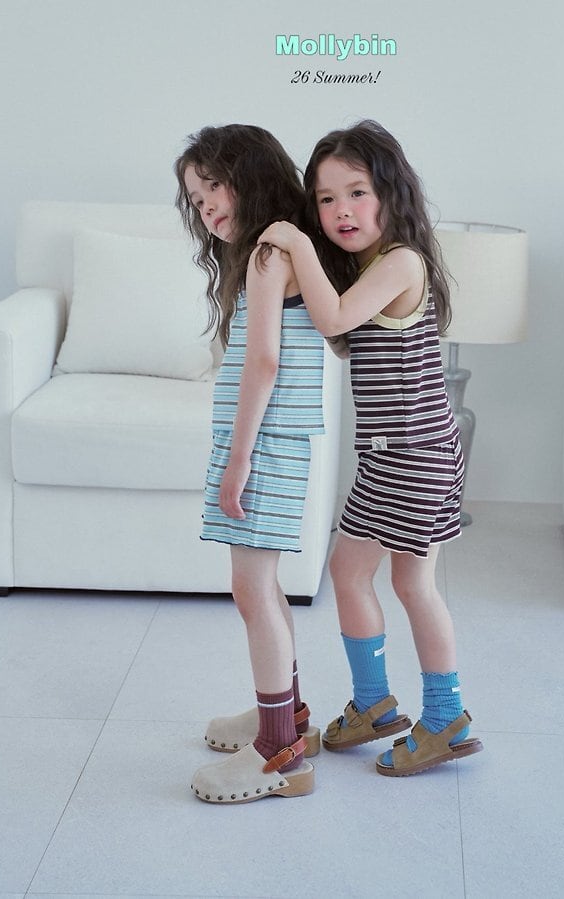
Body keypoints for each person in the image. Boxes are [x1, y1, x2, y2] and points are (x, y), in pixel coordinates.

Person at [259, 120, 483, 777]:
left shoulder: (401, 261)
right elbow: (341, 332)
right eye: (326, 199)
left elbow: (332, 319)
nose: (342, 211)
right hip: (406, 451)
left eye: (357, 192)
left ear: (391, 192)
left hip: (409, 453)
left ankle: (437, 716)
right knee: (385, 578)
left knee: (384, 579)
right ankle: (383, 706)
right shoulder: (370, 267)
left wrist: (296, 241)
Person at [174, 124, 323, 803]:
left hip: (263, 444)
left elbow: (264, 362)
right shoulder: (277, 250)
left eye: (214, 187)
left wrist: (238, 461)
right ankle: (285, 717)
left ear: (252, 175)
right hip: (269, 440)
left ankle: (277, 751)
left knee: (251, 591)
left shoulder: (270, 253)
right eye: (196, 199)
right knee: (262, 587)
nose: (206, 206)